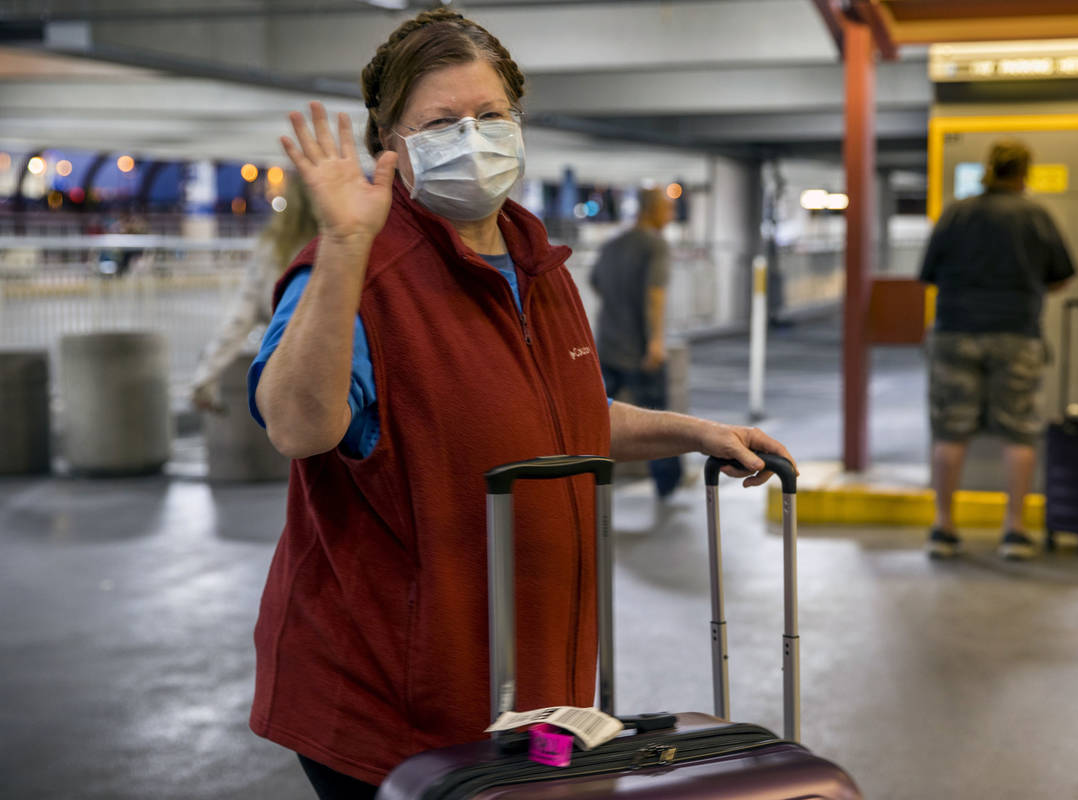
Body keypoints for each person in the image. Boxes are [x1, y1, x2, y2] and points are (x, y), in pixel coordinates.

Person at [246, 9, 795, 797]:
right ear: (393, 144)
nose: (473, 137)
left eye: (491, 116)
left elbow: (560, 420)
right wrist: (341, 248)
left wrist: (696, 433)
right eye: (442, 121)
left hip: (528, 692)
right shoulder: (360, 271)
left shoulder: (538, 263)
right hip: (395, 704)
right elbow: (300, 428)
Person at [919, 139, 1075, 561]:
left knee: (950, 431)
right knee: (1019, 430)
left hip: (954, 333)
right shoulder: (1034, 215)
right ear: (1024, 171)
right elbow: (1061, 277)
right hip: (1016, 334)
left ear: (989, 168)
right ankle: (1015, 532)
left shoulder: (957, 212)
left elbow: (928, 274)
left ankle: (943, 528)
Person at [189, 178, 317, 412]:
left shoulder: (273, 250)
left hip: (287, 371)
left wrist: (205, 377)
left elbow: (239, 319)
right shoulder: (349, 247)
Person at [589, 185, 682, 498]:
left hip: (607, 346)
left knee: (598, 425)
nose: (671, 215)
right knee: (659, 426)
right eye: (667, 209)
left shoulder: (612, 245)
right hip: (641, 351)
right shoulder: (655, 245)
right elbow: (655, 294)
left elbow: (595, 283)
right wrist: (656, 342)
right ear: (652, 210)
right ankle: (667, 487)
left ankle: (589, 485)